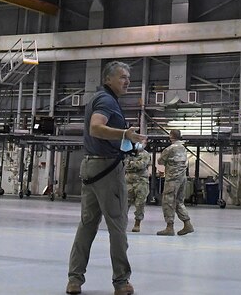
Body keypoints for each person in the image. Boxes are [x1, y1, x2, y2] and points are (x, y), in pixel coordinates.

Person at [66, 61, 147, 295]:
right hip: (107, 171)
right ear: (108, 79)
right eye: (122, 77)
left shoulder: (99, 98)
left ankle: (74, 280)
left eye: (129, 78)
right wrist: (124, 133)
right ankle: (121, 282)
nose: (127, 82)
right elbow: (96, 128)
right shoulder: (107, 100)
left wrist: (129, 141)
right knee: (117, 226)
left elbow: (102, 134)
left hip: (90, 166)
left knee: (87, 225)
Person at [156, 129, 194, 236]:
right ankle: (187, 224)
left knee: (168, 201)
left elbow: (160, 161)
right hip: (182, 178)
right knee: (179, 202)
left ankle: (169, 227)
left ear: (171, 136)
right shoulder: (183, 148)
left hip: (172, 178)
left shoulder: (169, 149)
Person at [124, 147, 152, 233]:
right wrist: (134, 164)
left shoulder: (146, 154)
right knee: (124, 203)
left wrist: (131, 163)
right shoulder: (128, 153)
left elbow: (142, 165)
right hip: (128, 181)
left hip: (141, 181)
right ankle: (122, 223)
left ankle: (137, 223)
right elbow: (125, 165)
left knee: (140, 203)